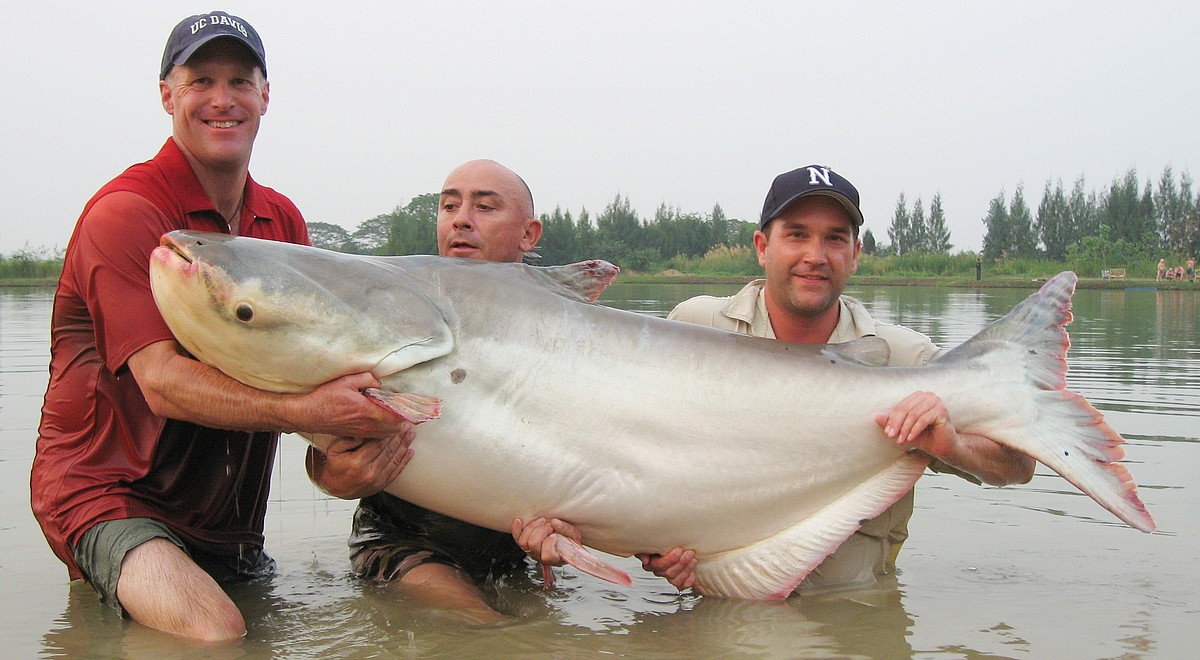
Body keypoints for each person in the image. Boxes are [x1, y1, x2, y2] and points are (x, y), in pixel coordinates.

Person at [30, 12, 413, 643]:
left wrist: (336, 466)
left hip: (228, 523)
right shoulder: (126, 215)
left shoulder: (281, 222)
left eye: (240, 80)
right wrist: (307, 410)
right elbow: (162, 384)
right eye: (200, 78)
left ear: (265, 96)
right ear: (167, 95)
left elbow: (310, 384)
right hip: (108, 492)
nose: (222, 99)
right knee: (214, 633)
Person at [644, 165, 1036, 593]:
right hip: (715, 607)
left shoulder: (908, 359)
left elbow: (1019, 464)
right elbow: (633, 460)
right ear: (762, 246)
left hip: (853, 613)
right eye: (796, 234)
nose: (816, 255)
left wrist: (952, 445)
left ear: (855, 253)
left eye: (835, 237)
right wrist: (649, 544)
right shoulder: (694, 328)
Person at [308, 159, 605, 623]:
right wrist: (331, 476)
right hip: (403, 547)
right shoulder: (387, 316)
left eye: (484, 207)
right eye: (449, 206)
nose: (461, 219)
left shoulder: (566, 337)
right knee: (489, 629)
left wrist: (567, 524)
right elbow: (320, 430)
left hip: (514, 557)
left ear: (529, 235)